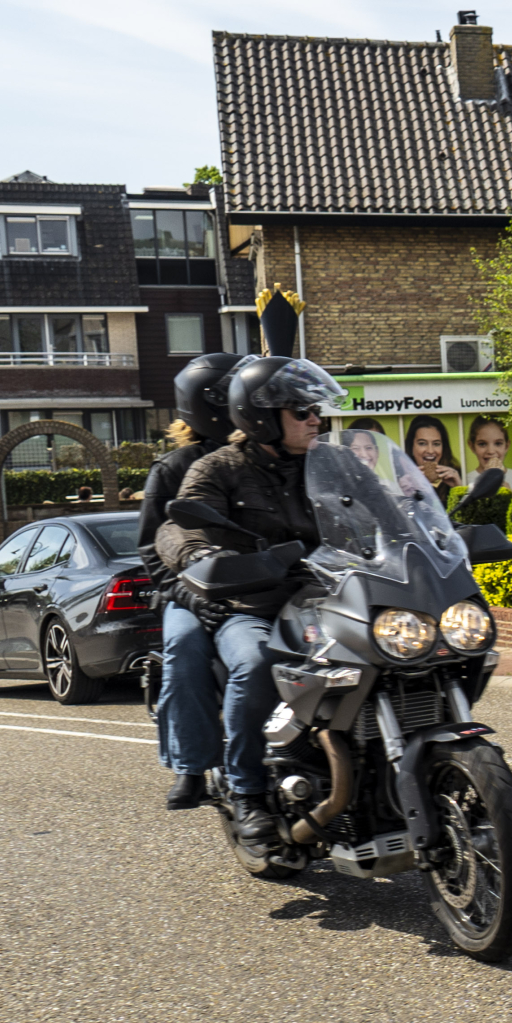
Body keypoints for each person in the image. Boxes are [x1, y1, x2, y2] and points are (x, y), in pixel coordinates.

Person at [157, 355, 345, 853]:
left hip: (327, 601)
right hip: (251, 605)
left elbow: (382, 514)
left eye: (315, 410)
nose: (315, 419)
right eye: (301, 410)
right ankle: (248, 792)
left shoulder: (332, 465)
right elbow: (178, 528)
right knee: (258, 662)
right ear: (263, 417)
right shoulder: (217, 468)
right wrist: (204, 557)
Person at [137, 354, 239, 810]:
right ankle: (192, 766)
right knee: (185, 648)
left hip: (261, 584)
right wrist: (185, 596)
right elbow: (150, 547)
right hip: (193, 592)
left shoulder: (259, 456)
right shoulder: (172, 470)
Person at [467, 416, 512, 495]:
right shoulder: (467, 480)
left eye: (498, 443)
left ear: (507, 446)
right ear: (472, 446)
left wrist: (509, 495)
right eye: (482, 444)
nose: (491, 451)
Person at [405, 414, 461, 490]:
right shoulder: (401, 478)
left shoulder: (455, 475)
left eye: (436, 444)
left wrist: (458, 488)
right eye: (422, 443)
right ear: (411, 447)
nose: (430, 451)